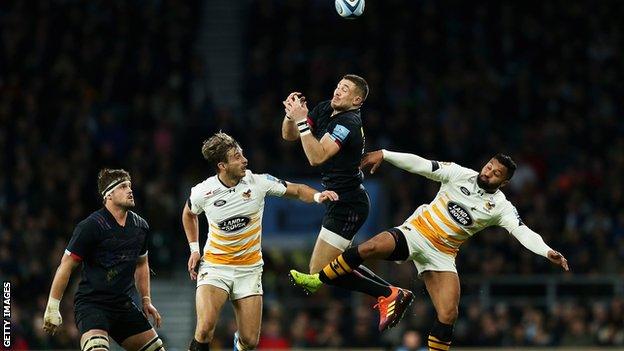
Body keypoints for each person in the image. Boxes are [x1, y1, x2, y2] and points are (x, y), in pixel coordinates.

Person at [291, 149, 570, 344]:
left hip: (442, 254)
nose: (489, 173)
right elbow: (422, 165)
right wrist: (386, 154)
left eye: (496, 174)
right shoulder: (459, 174)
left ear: (504, 182)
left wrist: (546, 251)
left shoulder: (501, 208)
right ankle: (317, 280)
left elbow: (522, 232)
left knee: (449, 313)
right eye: (489, 167)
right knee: (370, 247)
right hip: (416, 233)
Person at [183, 132, 339, 351]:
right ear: (222, 165)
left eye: (242, 154)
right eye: (237, 157)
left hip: (249, 269)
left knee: (250, 341)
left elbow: (296, 190)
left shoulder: (258, 183)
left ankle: (240, 343)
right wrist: (194, 249)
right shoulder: (203, 191)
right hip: (215, 266)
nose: (244, 160)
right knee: (205, 327)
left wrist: (317, 196)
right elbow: (189, 213)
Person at [282, 75, 410, 325]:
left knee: (321, 273)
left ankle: (389, 293)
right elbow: (289, 136)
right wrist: (291, 115)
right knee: (330, 268)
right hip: (339, 201)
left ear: (357, 100)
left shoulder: (348, 123)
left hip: (349, 204)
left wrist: (301, 122)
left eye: (346, 89)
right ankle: (392, 293)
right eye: (338, 86)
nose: (338, 91)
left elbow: (316, 157)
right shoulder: (324, 108)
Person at [43, 169, 164, 351]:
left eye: (130, 186)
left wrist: (146, 300)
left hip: (123, 305)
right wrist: (53, 305)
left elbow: (142, 263)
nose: (130, 190)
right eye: (123, 186)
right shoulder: (91, 226)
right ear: (109, 194)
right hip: (93, 305)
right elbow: (66, 265)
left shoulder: (140, 226)